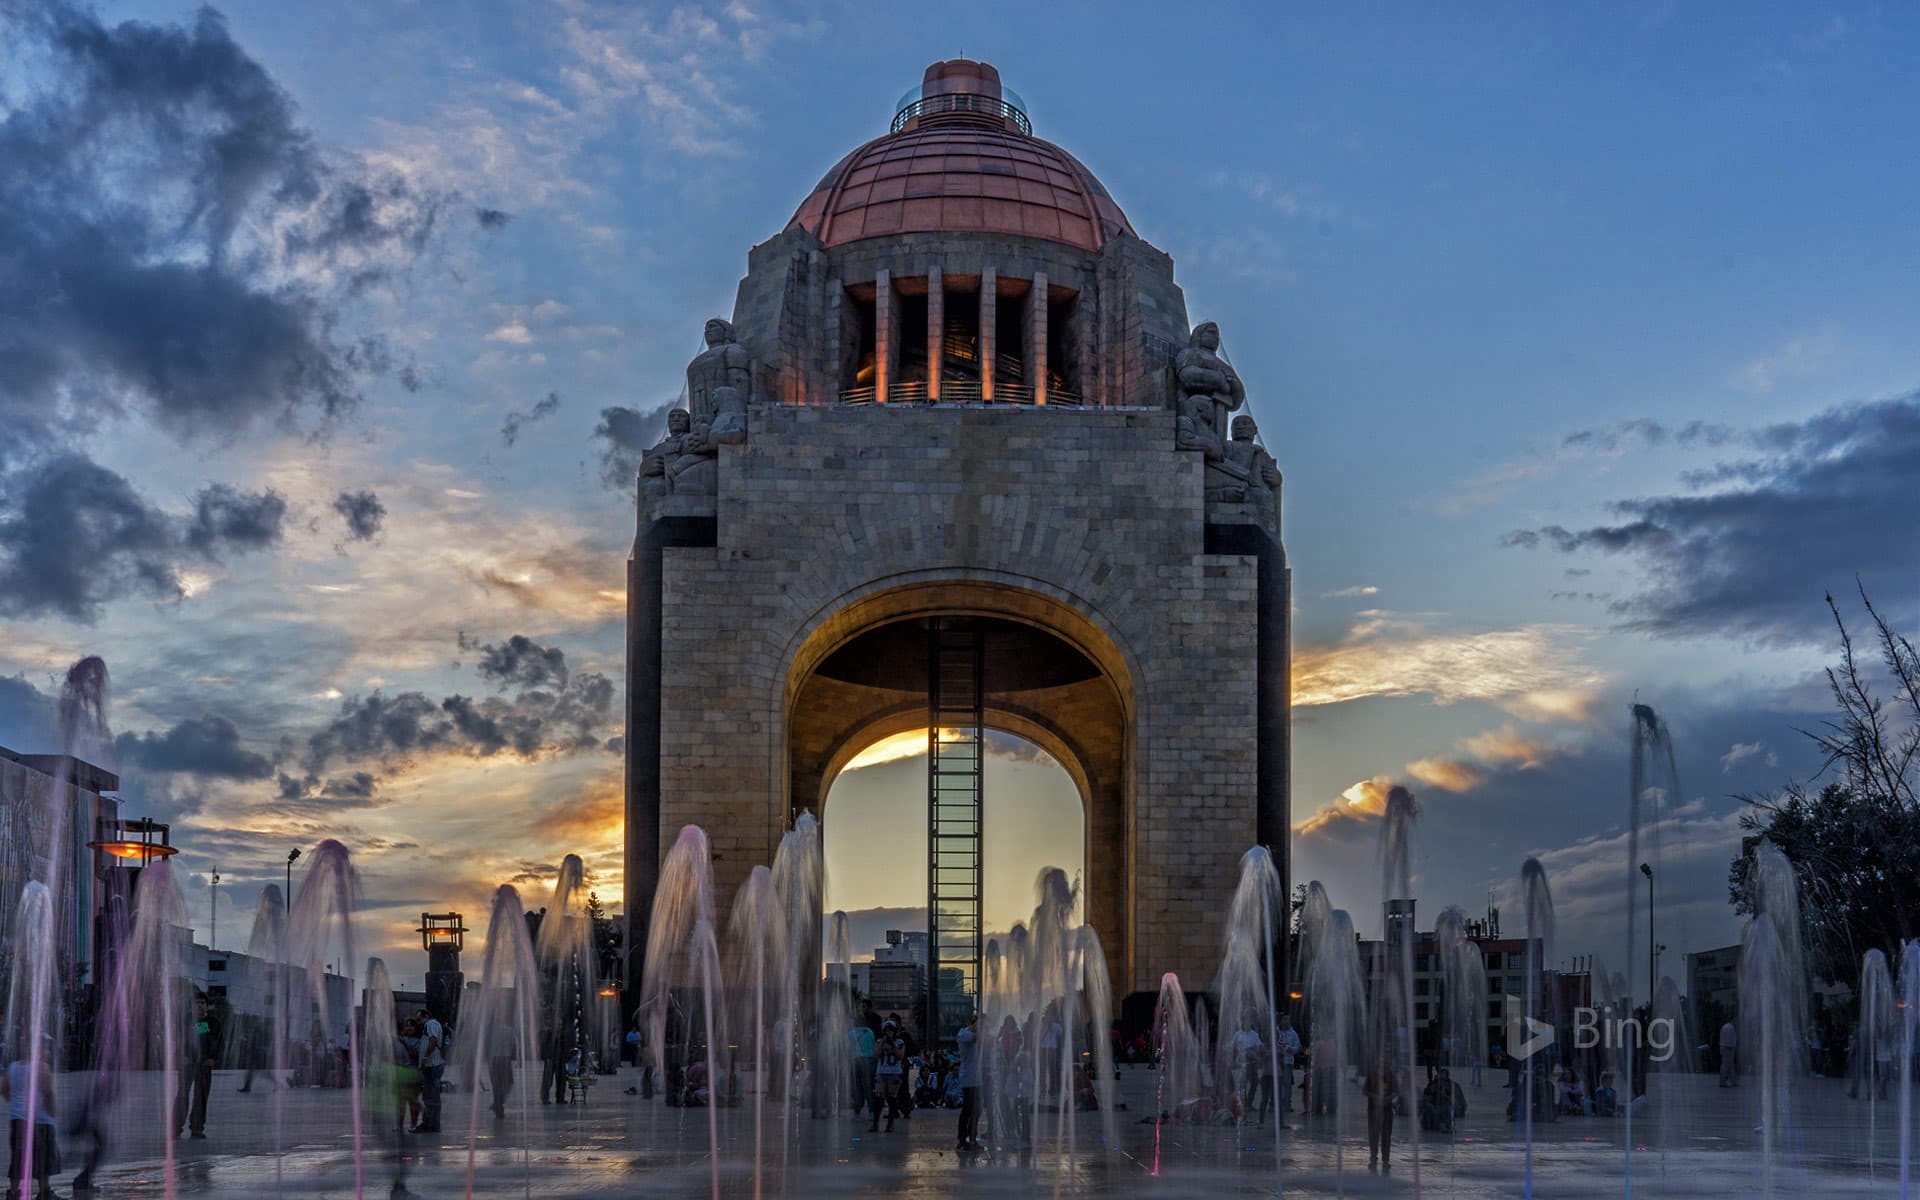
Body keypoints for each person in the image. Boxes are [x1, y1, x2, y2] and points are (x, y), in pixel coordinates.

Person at [4, 1039, 58, 1200]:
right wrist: (52, 1112)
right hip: (40, 1120)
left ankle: (13, 1193)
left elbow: (4, 1091)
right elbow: (47, 1092)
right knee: (44, 1157)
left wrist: (17, 1105)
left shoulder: (12, 1067)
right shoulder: (41, 1067)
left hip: (18, 1119)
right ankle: (44, 1192)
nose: (47, 1053)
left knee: (18, 1157)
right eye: (45, 1050)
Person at [177, 991, 215, 1139]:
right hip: (187, 1064)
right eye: (196, 1003)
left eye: (202, 1003)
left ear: (207, 1006)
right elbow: (180, 1039)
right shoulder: (185, 1021)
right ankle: (176, 1126)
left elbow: (217, 1043)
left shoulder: (213, 1022)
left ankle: (197, 1127)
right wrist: (182, 1055)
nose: (199, 1006)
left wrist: (213, 1058)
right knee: (182, 1095)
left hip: (204, 1064)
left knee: (201, 1096)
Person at [1363, 1055, 1397, 1172]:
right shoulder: (1372, 1075)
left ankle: (1386, 1159)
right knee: (1374, 1134)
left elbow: (1396, 1091)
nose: (1385, 1067)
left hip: (1387, 1109)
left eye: (1387, 1065)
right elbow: (1365, 1091)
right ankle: (1373, 1157)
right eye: (1383, 1065)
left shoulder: (1391, 1075)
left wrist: (1388, 1098)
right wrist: (1375, 1097)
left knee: (1386, 1134)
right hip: (1373, 1109)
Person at [955, 1015, 982, 1152]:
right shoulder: (964, 1033)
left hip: (977, 1079)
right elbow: (974, 1038)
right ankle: (961, 1139)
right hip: (969, 1078)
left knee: (977, 1110)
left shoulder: (972, 1034)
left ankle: (972, 1138)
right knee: (968, 1109)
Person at [417, 1008, 445, 1133]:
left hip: (433, 1065)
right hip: (432, 1065)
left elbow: (433, 1040)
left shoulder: (431, 1024)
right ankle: (429, 1123)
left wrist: (425, 1057)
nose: (419, 1022)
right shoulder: (431, 1024)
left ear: (427, 1016)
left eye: (420, 1019)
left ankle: (431, 1125)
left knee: (431, 1096)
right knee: (429, 1096)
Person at [871, 1035, 906, 1132]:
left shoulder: (899, 1042)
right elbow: (876, 1055)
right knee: (879, 1098)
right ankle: (875, 1124)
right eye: (886, 1030)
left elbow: (900, 1056)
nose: (889, 1032)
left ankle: (890, 1124)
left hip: (894, 1072)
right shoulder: (879, 1041)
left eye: (891, 1030)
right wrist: (882, 1042)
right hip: (881, 1071)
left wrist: (893, 1044)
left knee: (891, 1098)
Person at [1274, 1014, 1301, 1113]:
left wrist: (1292, 1049)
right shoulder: (1275, 1032)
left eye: (1288, 1020)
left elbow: (1298, 1046)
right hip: (1277, 1062)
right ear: (1281, 1020)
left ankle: (1287, 1105)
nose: (1286, 1022)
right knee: (1277, 1084)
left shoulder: (1293, 1033)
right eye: (1284, 1019)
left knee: (1287, 1084)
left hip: (1288, 1061)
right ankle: (1276, 1104)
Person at [849, 1018, 875, 1116]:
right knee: (868, 1086)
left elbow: (847, 1048)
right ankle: (871, 1111)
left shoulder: (850, 1034)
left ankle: (857, 1112)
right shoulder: (869, 1032)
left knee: (856, 1086)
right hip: (868, 1060)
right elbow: (873, 1045)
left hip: (854, 1060)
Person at [1718, 1018, 1739, 1087]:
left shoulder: (1725, 1026)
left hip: (1724, 1047)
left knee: (1728, 1065)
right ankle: (1723, 1082)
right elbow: (1729, 1040)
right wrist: (1732, 1048)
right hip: (1728, 1048)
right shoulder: (1731, 1027)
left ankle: (1732, 1081)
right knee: (1726, 1065)